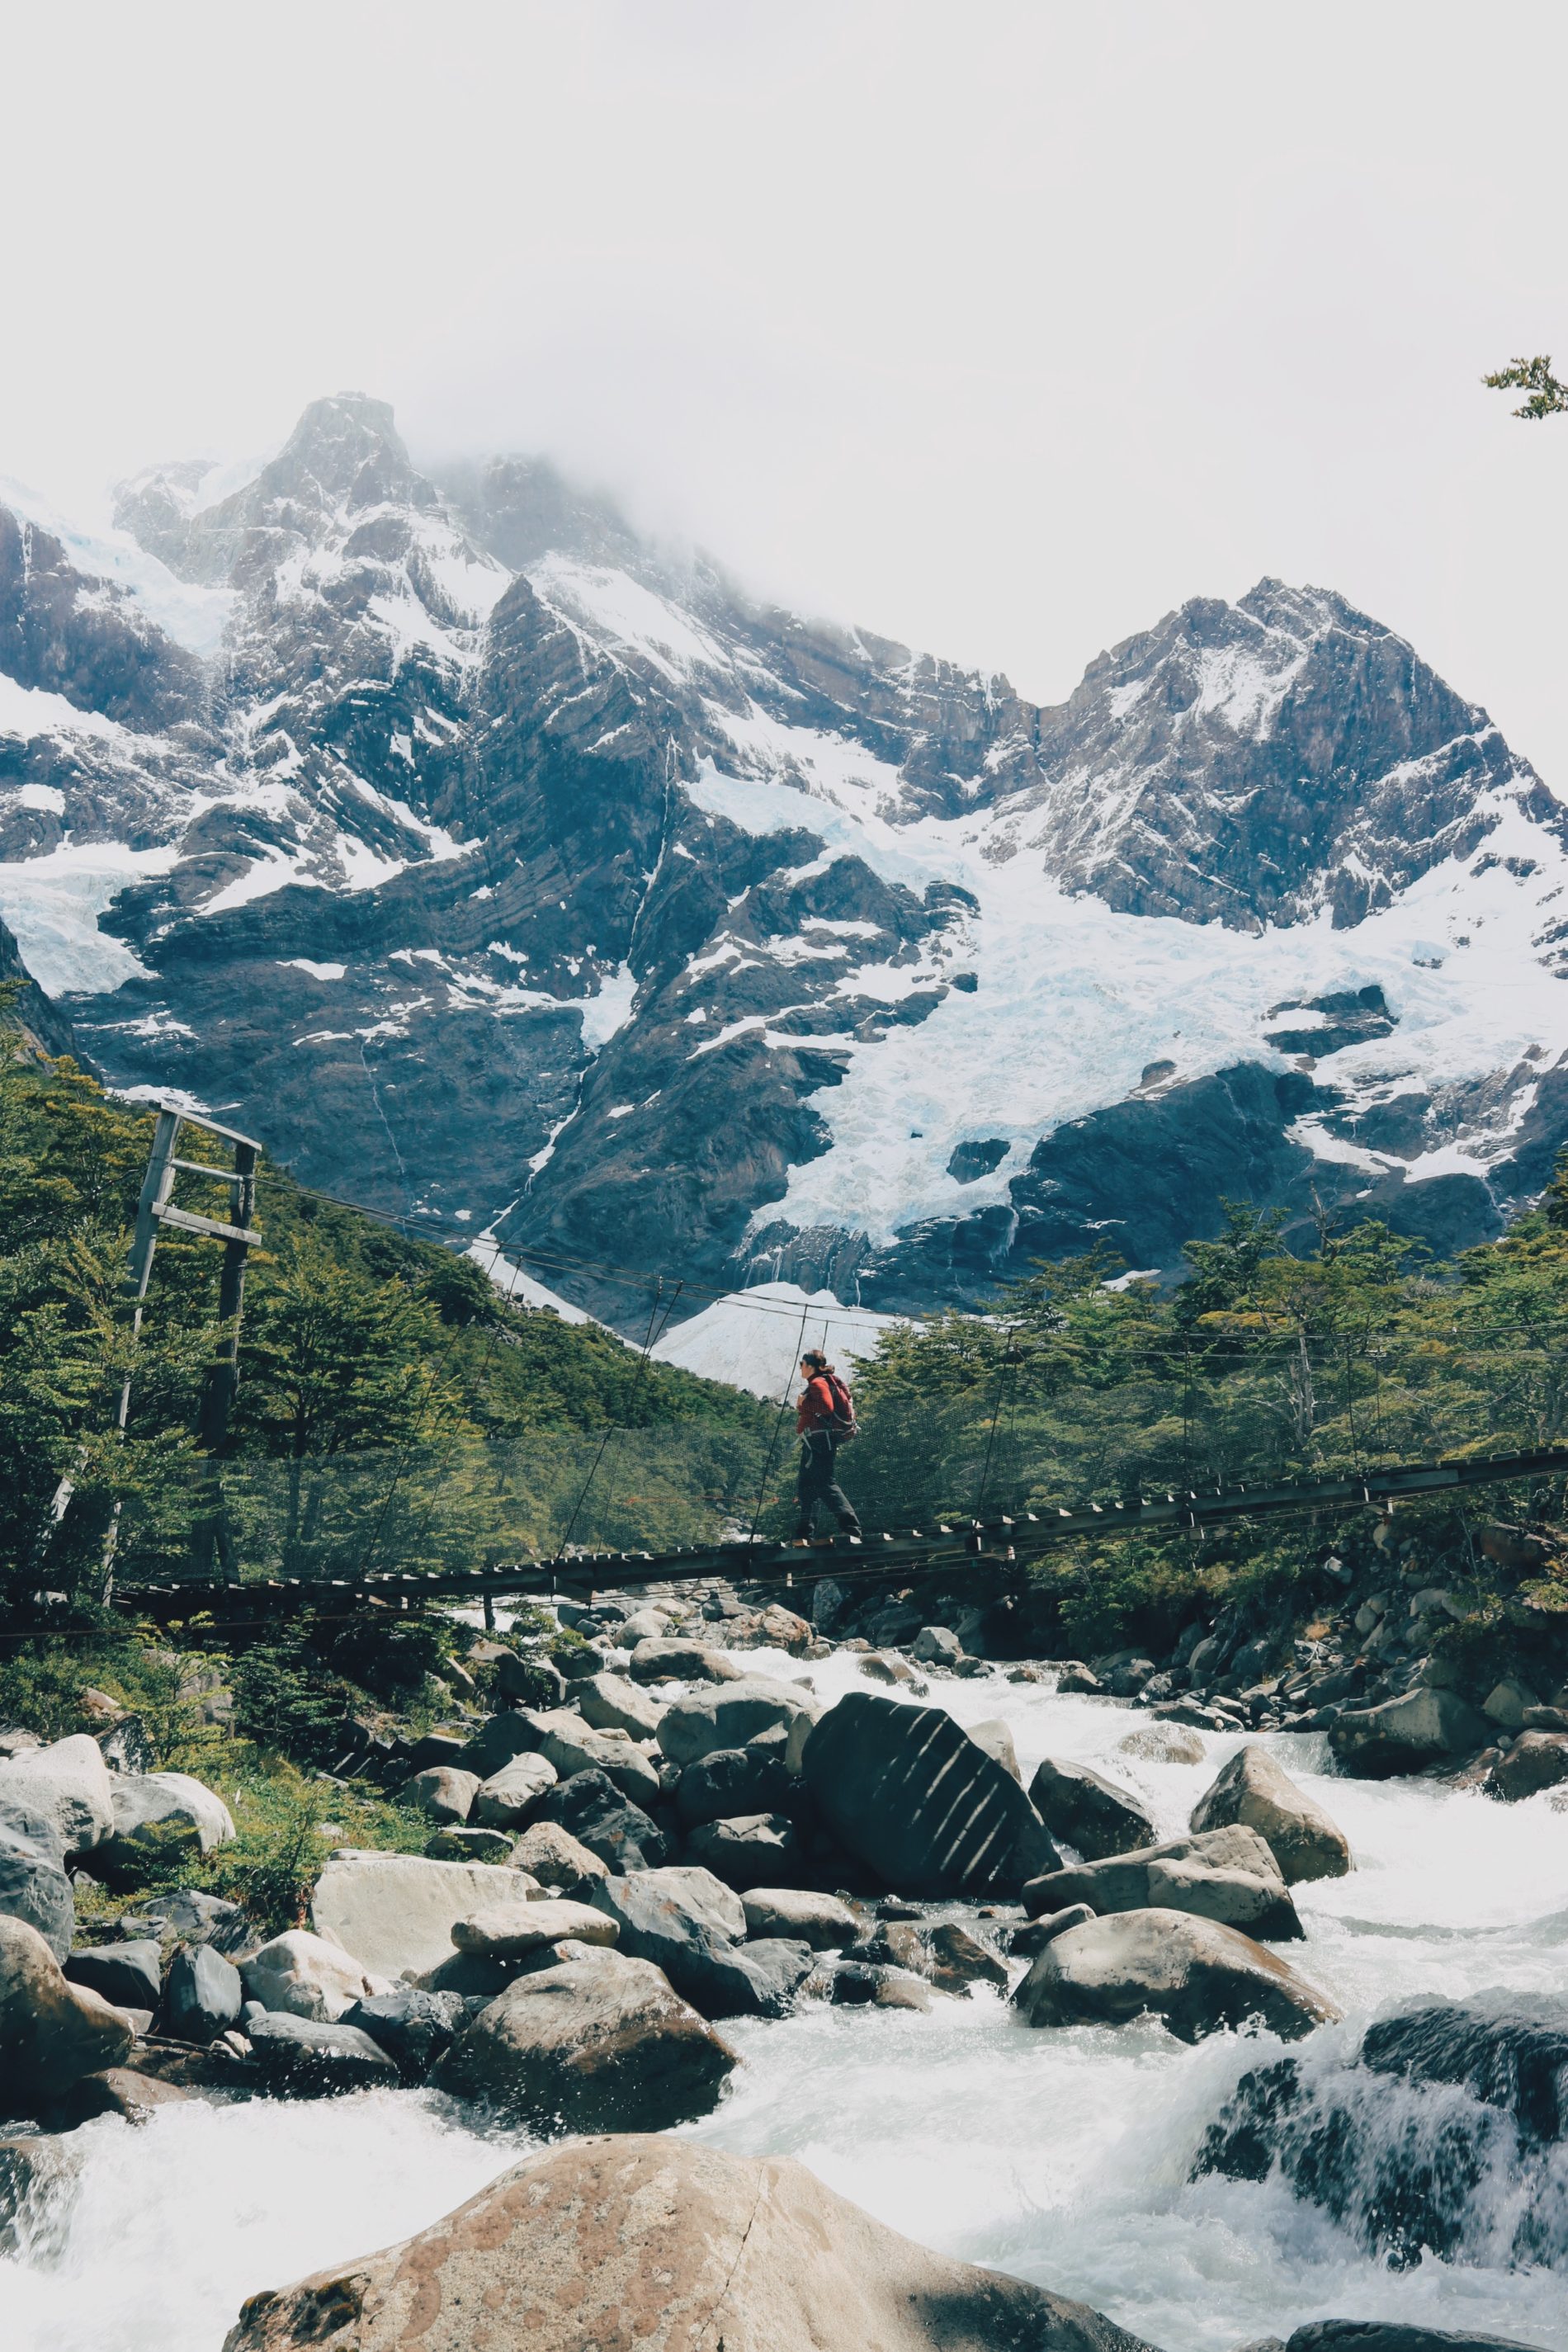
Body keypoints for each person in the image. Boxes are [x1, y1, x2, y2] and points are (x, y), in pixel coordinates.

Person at [793, 1348, 862, 1541]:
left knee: (825, 1483)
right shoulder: (818, 1382)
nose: (801, 1369)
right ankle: (805, 1532)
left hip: (820, 1441)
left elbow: (826, 1407)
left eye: (802, 1365)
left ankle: (851, 1528)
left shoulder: (817, 1382)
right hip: (815, 1441)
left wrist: (802, 1405)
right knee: (807, 1487)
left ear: (809, 1366)